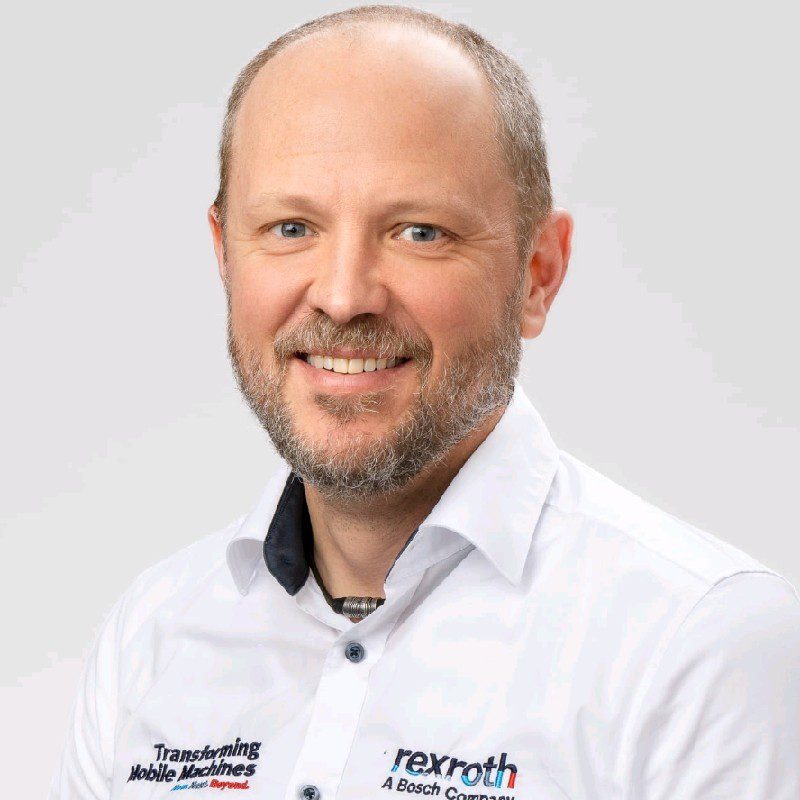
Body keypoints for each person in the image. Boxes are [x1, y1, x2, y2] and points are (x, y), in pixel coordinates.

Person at [49, 5, 800, 799]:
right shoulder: (152, 636)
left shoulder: (695, 646)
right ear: (224, 257)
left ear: (538, 275)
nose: (342, 297)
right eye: (291, 226)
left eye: (419, 233)